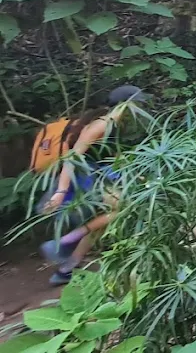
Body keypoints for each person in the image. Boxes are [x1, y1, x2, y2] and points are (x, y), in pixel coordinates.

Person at [38, 85, 145, 285]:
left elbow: (113, 156)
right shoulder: (101, 125)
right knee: (124, 208)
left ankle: (66, 269)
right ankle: (65, 241)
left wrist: (136, 176)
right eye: (138, 104)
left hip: (101, 175)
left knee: (103, 223)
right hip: (87, 177)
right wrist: (61, 191)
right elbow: (72, 159)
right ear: (126, 105)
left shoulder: (115, 125)